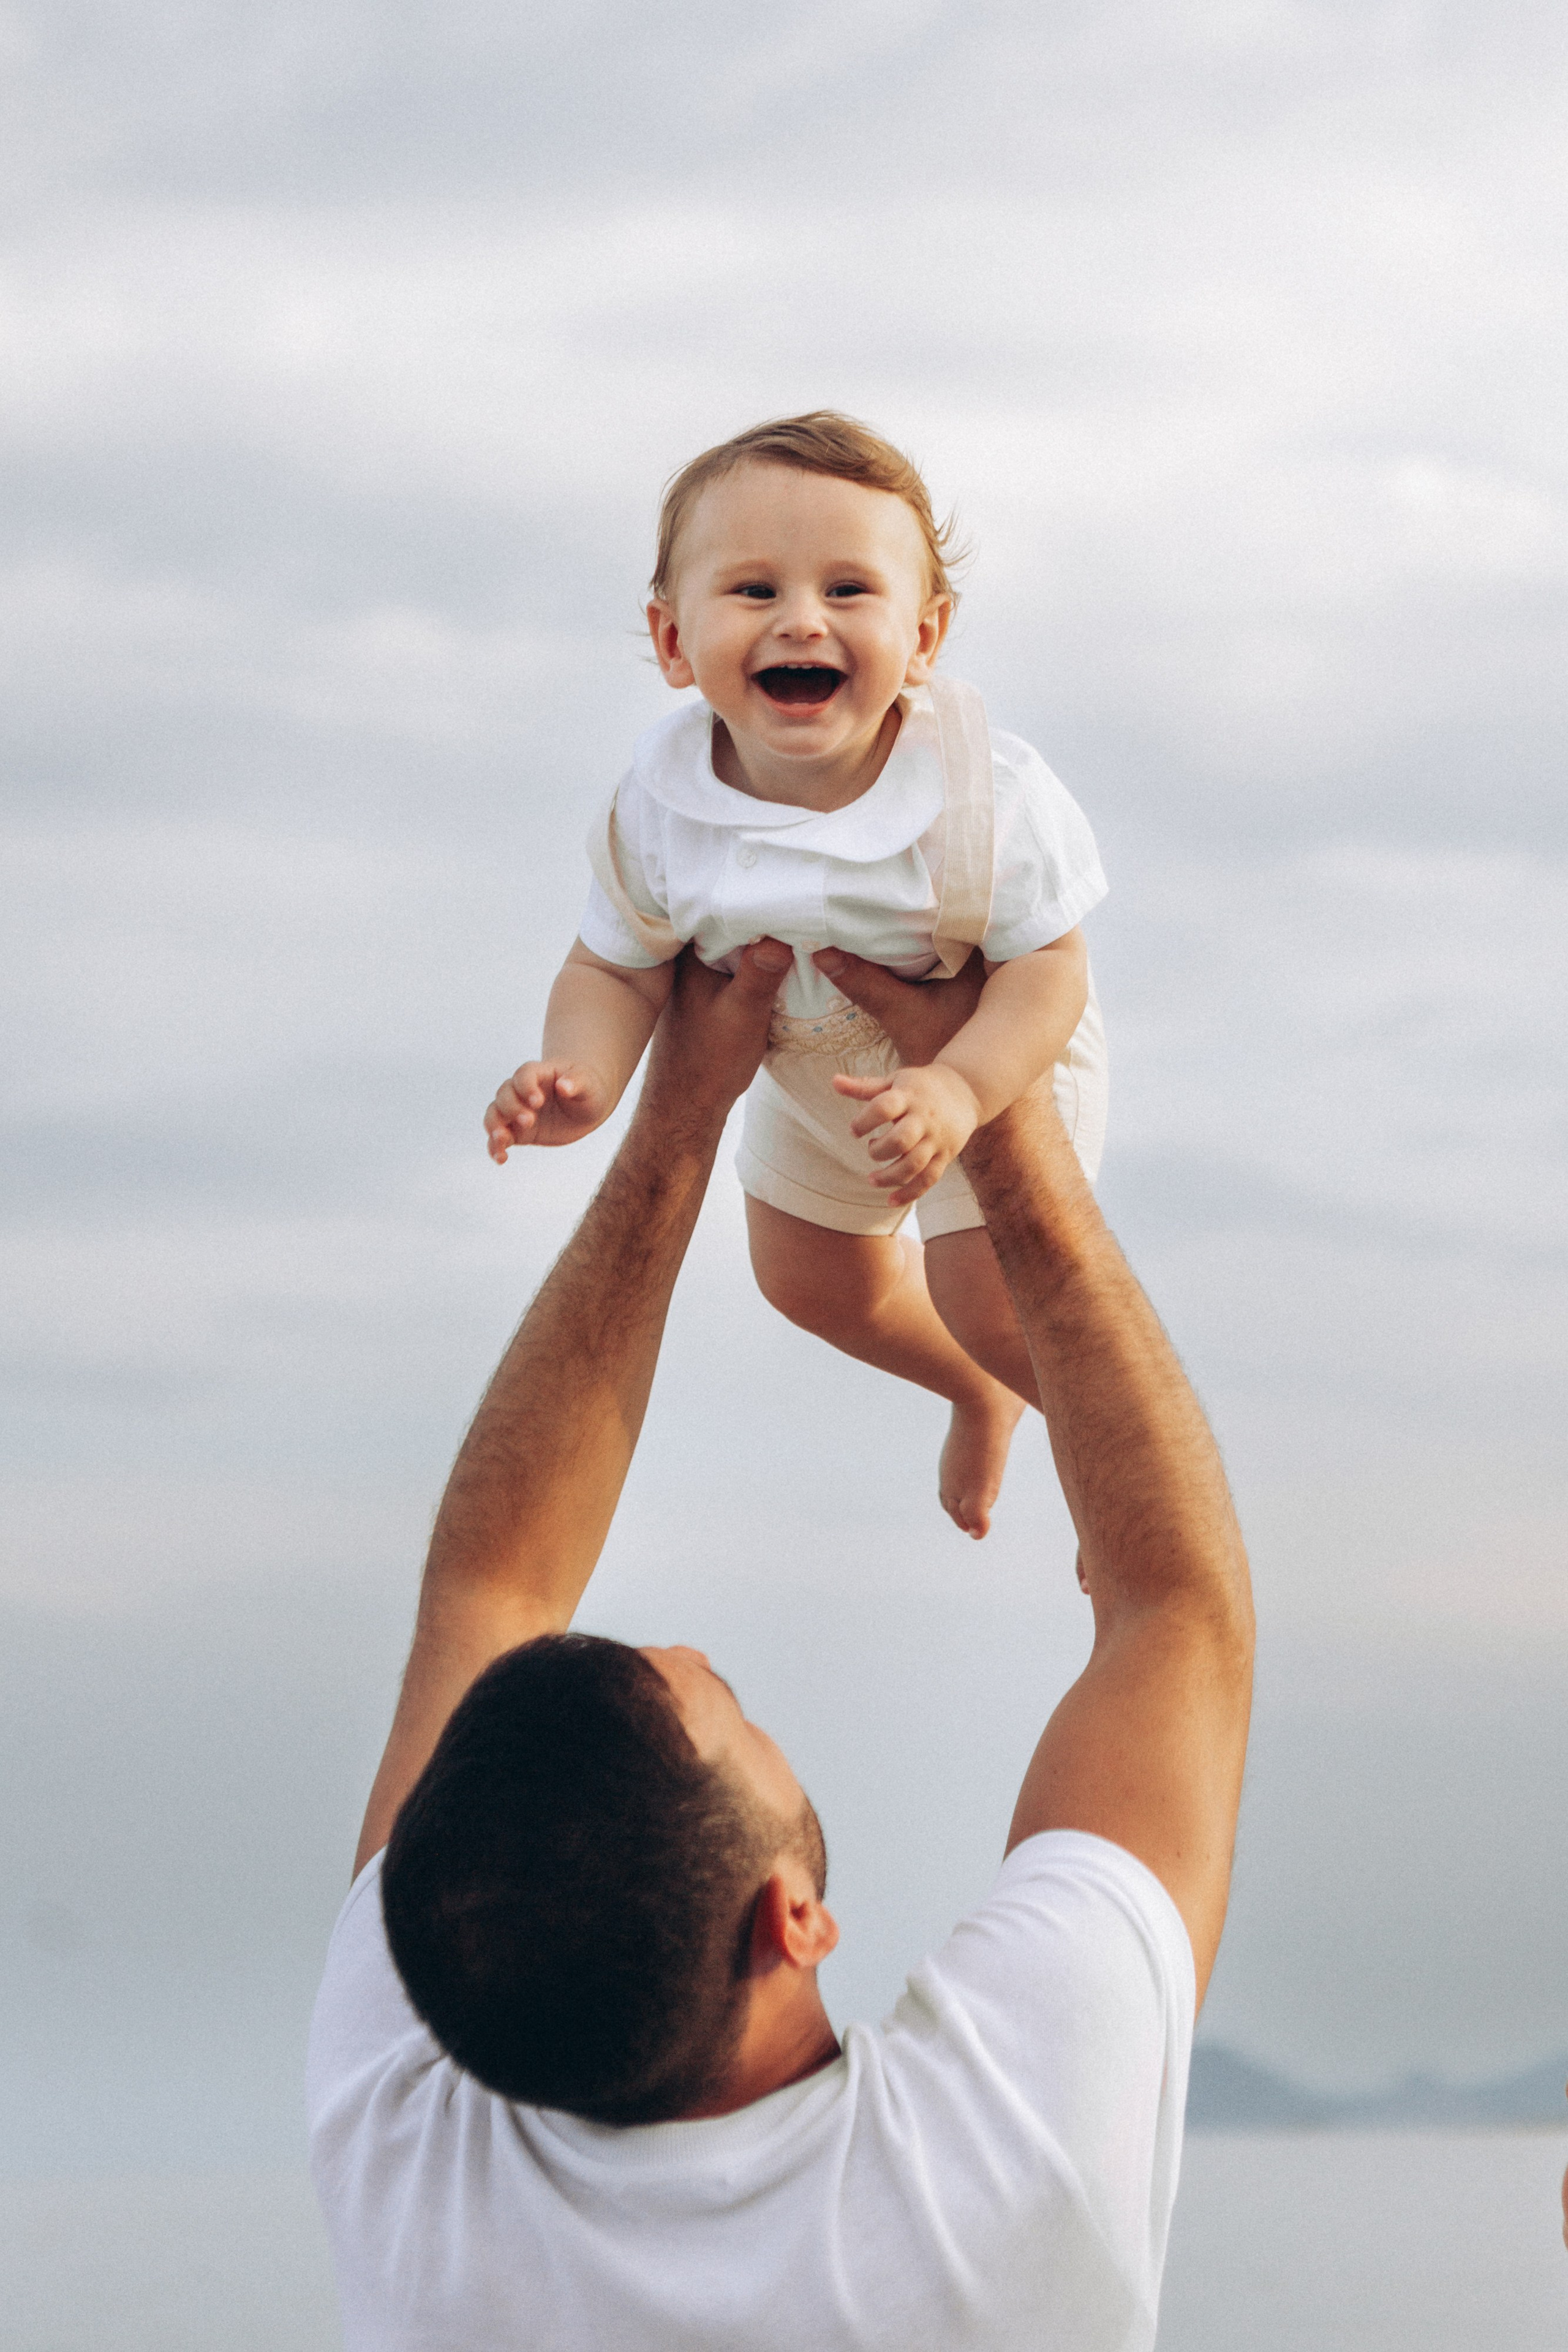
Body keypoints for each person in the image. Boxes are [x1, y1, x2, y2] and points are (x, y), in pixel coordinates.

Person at [309, 937, 1254, 2352]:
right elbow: (1179, 1613)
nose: (699, 1652)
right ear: (787, 1922)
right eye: (729, 1708)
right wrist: (993, 1114)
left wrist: (678, 1108)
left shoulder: (414, 2181)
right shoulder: (996, 2172)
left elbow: (492, 1590)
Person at [483, 411, 1109, 1539]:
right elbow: (613, 966)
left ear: (925, 637)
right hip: (809, 1073)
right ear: (674, 641)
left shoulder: (983, 793)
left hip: (989, 1065)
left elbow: (1051, 970)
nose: (802, 619)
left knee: (997, 1306)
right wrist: (579, 1073)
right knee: (810, 1282)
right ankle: (976, 1392)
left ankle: (1102, 1475)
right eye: (756, 591)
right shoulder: (663, 812)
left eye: (849, 592)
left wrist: (962, 1089)